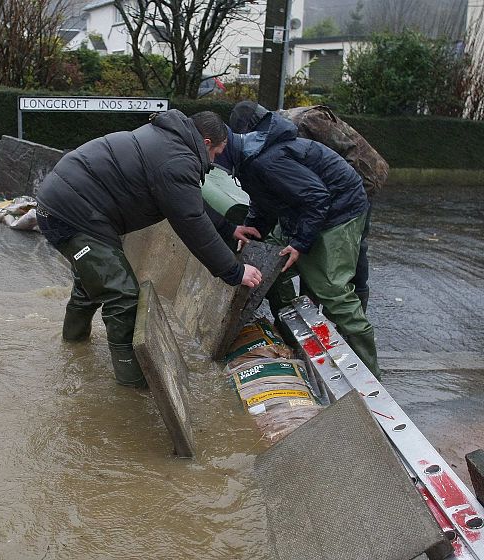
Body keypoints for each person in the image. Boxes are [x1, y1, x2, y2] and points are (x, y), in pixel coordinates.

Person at [36, 109, 263, 388]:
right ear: (205, 143)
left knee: (91, 284)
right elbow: (190, 221)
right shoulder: (177, 159)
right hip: (71, 214)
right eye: (217, 152)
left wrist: (228, 229)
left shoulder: (169, 141)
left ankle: (73, 349)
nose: (215, 159)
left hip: (69, 204)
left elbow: (185, 202)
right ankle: (132, 387)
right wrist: (234, 271)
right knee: (123, 297)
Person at [220, 106, 381, 378]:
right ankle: (293, 335)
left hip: (341, 209)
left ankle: (368, 371)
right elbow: (264, 199)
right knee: (272, 268)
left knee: (332, 289)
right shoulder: (248, 159)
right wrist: (254, 228)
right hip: (308, 210)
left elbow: (317, 197)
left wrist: (300, 243)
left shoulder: (267, 158)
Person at [229, 101, 389, 311]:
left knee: (350, 251)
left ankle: (351, 317)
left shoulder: (307, 122)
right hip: (318, 191)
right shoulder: (264, 140)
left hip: (360, 180)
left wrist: (333, 210)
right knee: (309, 244)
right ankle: (311, 309)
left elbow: (350, 155)